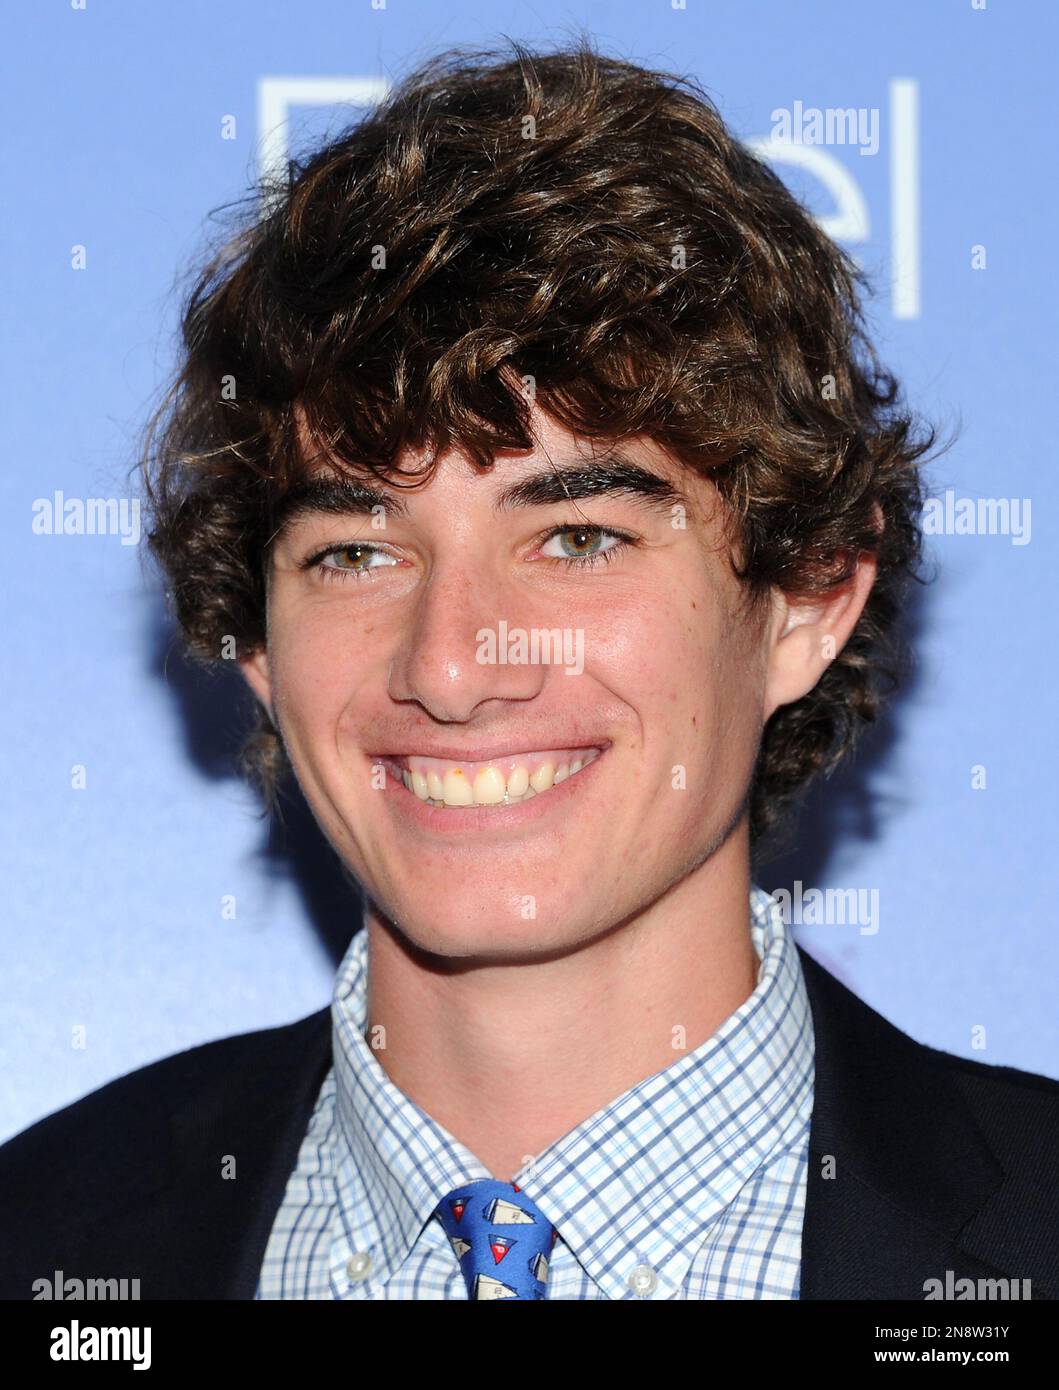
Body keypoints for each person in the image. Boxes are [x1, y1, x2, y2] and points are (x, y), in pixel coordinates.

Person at [2, 37, 1056, 1303]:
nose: (452, 664)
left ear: (808, 596)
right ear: (257, 647)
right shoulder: (46, 1242)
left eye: (577, 538)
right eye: (354, 552)